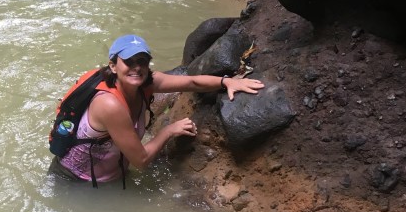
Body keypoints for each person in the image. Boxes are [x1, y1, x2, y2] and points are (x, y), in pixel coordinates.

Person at [51, 34, 264, 184]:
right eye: (129, 61)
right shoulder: (109, 105)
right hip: (76, 181)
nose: (137, 67)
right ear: (113, 66)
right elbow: (141, 160)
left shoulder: (147, 82)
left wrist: (226, 82)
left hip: (109, 177)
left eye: (142, 61)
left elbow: (191, 82)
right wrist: (168, 131)